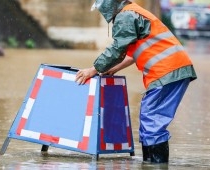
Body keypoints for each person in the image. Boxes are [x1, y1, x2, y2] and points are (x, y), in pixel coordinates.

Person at [75, 0, 197, 163]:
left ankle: (156, 164)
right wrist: (116, 68)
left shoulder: (125, 16)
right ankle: (150, 163)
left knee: (152, 120)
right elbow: (133, 53)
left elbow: (117, 49)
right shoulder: (134, 11)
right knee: (150, 119)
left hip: (166, 71)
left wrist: (93, 69)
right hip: (173, 70)